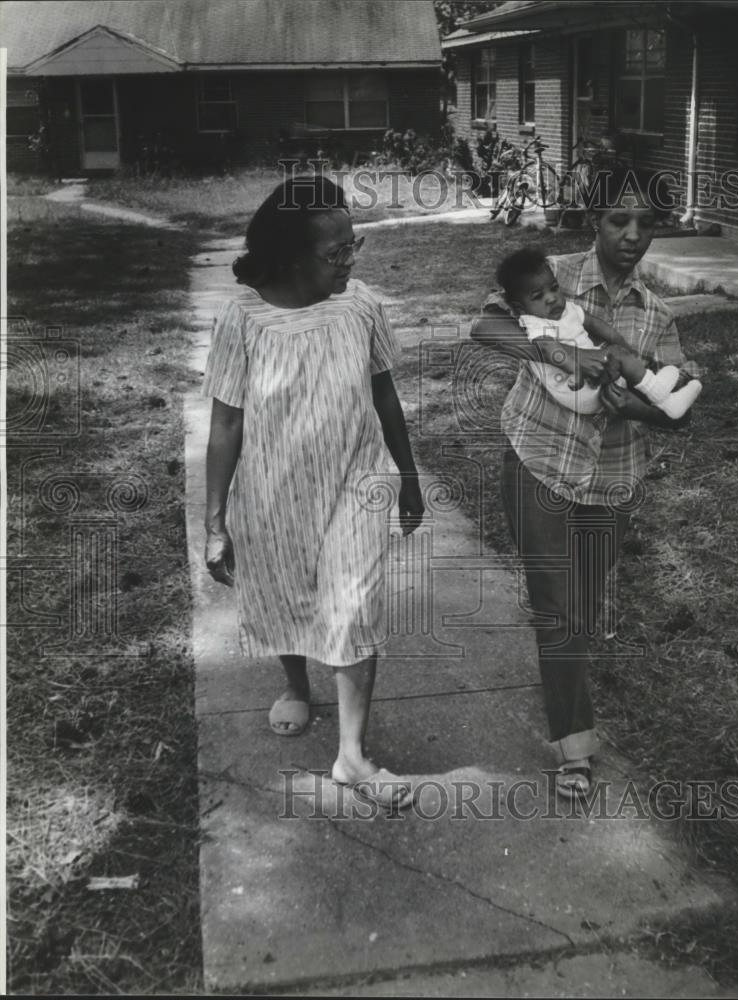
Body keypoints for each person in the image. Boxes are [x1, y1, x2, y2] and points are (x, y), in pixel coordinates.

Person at [471, 166, 699, 802]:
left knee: (583, 606)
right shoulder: (550, 278)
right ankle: (576, 745)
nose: (631, 235)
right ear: (593, 221)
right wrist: (561, 354)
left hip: (612, 481)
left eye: (645, 224)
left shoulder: (656, 315)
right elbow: (484, 327)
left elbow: (679, 407)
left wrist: (629, 401)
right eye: (617, 220)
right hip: (539, 462)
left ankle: (566, 688)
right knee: (559, 610)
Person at [202, 174, 424, 810]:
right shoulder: (242, 318)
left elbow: (385, 394)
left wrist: (407, 476)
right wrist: (215, 522)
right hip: (273, 491)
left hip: (358, 483)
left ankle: (353, 755)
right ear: (292, 255)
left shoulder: (361, 307)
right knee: (287, 589)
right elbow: (226, 423)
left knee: (352, 605)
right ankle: (296, 682)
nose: (349, 261)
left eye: (354, 247)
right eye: (336, 253)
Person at [495, 247, 702, 418]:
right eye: (538, 296)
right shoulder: (534, 323)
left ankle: (667, 400)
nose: (551, 298)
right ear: (520, 308)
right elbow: (549, 349)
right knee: (618, 358)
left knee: (621, 358)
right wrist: (576, 367)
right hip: (573, 388)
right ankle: (658, 392)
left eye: (554, 288)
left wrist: (622, 344)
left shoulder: (567, 309)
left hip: (594, 384)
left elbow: (597, 325)